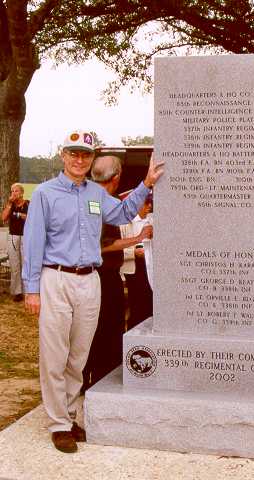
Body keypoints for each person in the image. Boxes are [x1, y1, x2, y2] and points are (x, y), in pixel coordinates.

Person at [22, 130, 164, 453]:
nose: (79, 159)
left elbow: (125, 213)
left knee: (79, 355)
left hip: (90, 280)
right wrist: (32, 290)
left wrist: (147, 183)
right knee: (55, 354)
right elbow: (33, 243)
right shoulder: (45, 194)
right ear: (63, 155)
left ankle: (69, 415)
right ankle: (58, 424)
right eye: (73, 154)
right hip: (56, 278)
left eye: (85, 155)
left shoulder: (95, 196)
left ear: (91, 159)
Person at [82, 155, 153, 392]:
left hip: (96, 276)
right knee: (106, 329)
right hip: (102, 276)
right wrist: (137, 238)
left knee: (94, 329)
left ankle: (90, 378)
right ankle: (102, 380)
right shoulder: (99, 201)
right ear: (117, 177)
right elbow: (101, 243)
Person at [122, 194, 154, 331]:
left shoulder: (152, 221)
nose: (149, 207)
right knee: (136, 306)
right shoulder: (125, 223)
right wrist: (133, 253)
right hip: (133, 269)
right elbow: (115, 249)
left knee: (150, 304)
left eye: (150, 204)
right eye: (146, 204)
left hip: (150, 267)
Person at [1, 183, 29, 301]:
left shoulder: (28, 203)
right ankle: (17, 292)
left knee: (25, 264)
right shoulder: (11, 205)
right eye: (12, 191)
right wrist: (9, 203)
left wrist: (18, 214)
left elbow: (30, 217)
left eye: (16, 191)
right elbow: (3, 218)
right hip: (13, 237)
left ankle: (27, 291)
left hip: (25, 237)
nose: (14, 193)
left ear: (21, 193)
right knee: (15, 264)